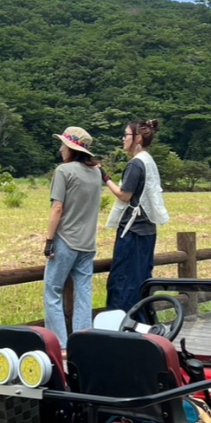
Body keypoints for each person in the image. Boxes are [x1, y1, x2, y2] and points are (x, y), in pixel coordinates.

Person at [100, 119, 170, 314]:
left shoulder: (135, 164)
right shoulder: (149, 160)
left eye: (126, 135)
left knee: (122, 281)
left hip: (133, 231)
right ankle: (141, 322)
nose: (123, 139)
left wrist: (105, 177)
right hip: (147, 229)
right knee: (141, 280)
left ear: (137, 138)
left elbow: (125, 195)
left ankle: (122, 325)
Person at [43, 126, 103, 348]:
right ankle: (84, 342)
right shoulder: (96, 172)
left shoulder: (63, 171)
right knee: (84, 293)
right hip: (88, 243)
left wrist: (49, 241)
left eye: (63, 145)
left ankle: (61, 345)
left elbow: (57, 208)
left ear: (71, 148)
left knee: (53, 291)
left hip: (65, 240)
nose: (60, 149)